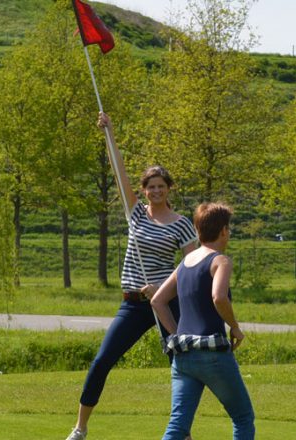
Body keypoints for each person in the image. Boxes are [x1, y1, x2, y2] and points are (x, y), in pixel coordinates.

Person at [65, 113, 197, 440]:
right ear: (144, 190)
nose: (155, 191)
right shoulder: (135, 212)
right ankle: (80, 428)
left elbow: (192, 266)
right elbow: (119, 173)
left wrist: (163, 289)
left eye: (161, 187)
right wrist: (109, 132)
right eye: (150, 187)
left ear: (169, 190)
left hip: (166, 303)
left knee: (181, 367)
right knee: (101, 361)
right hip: (134, 304)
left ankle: (183, 432)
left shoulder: (182, 223)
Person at [151, 202, 255, 440]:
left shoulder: (185, 263)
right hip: (213, 354)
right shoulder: (220, 261)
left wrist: (178, 334)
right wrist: (236, 328)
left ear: (197, 231)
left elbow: (157, 301)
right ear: (224, 231)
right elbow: (218, 297)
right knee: (243, 418)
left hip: (183, 356)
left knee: (178, 425)